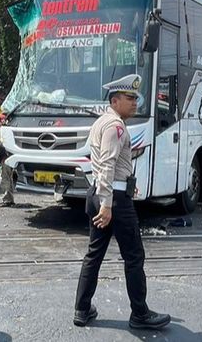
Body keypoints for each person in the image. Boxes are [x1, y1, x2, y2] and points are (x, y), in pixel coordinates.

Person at [73, 74, 171, 330]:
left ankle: (82, 309)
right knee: (134, 256)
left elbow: (110, 166)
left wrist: (124, 184)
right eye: (130, 98)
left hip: (104, 193)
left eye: (136, 98)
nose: (135, 102)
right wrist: (107, 204)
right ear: (114, 101)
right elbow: (107, 164)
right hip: (113, 200)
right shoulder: (114, 126)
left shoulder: (103, 122)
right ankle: (140, 314)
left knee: (94, 254)